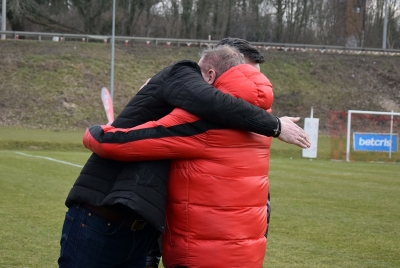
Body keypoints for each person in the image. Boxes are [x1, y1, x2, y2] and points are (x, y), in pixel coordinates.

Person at [58, 42, 310, 268]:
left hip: (168, 244)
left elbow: (118, 143)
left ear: (212, 75)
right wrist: (274, 124)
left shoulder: (212, 119)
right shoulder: (260, 127)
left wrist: (96, 133)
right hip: (243, 254)